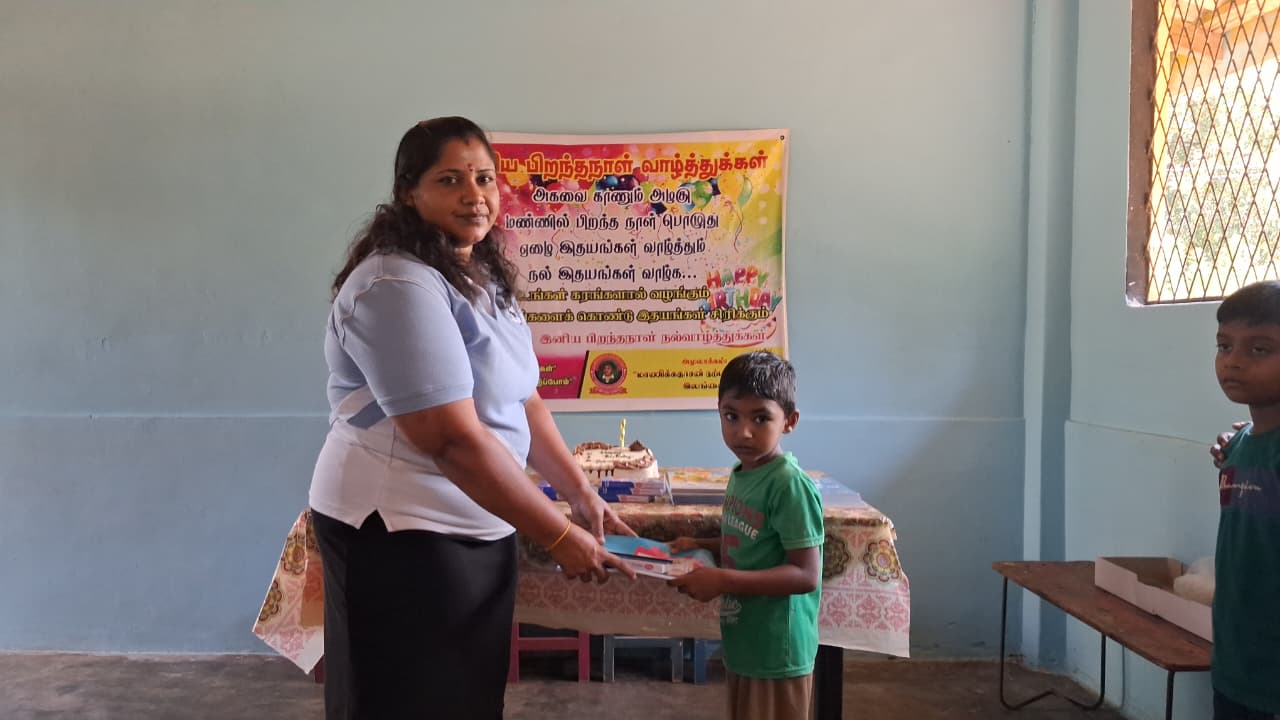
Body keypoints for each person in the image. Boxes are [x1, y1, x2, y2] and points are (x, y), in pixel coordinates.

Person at [307, 116, 636, 720]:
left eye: (485, 178)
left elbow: (524, 400)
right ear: (409, 193)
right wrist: (558, 536)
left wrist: (580, 495)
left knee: (465, 699)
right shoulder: (395, 284)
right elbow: (450, 440)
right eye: (450, 180)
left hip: (478, 528)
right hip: (399, 535)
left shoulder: (478, 276)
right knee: (401, 701)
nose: (474, 194)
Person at [669, 350, 824, 720]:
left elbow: (806, 575)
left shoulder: (788, 484)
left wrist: (722, 579)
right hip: (747, 642)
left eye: (760, 418)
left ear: (789, 421)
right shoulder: (744, 472)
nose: (743, 432)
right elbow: (754, 540)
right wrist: (701, 545)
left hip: (777, 650)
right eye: (731, 416)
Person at [1208, 280, 1280, 719]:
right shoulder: (1238, 444)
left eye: (1260, 349)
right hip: (1235, 663)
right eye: (1224, 345)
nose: (1232, 361)